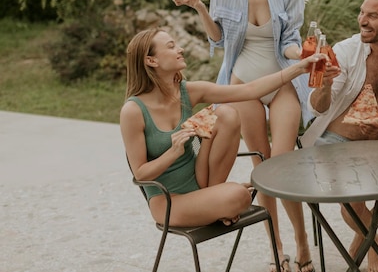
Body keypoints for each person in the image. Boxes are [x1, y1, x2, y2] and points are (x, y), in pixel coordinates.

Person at [173, 0, 314, 272]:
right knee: (262, 164)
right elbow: (219, 39)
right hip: (242, 85)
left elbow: (291, 43)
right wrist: (199, 8)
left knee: (280, 168)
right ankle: (276, 247)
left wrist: (307, 56)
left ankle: (302, 243)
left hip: (281, 81)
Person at [120, 28, 323, 244]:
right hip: (169, 202)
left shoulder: (187, 91)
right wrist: (172, 153)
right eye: (171, 47)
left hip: (200, 181)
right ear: (151, 60)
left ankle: (215, 196)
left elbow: (250, 90)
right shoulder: (133, 111)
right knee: (240, 195)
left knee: (225, 114)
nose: (179, 49)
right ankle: (221, 201)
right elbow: (140, 174)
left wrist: (300, 68)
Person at [300, 0, 378, 272]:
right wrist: (325, 84)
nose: (363, 20)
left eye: (373, 16)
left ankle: (361, 236)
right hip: (336, 141)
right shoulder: (345, 50)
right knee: (350, 194)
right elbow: (317, 108)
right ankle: (373, 242)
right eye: (361, 13)